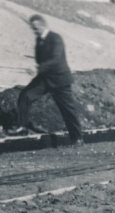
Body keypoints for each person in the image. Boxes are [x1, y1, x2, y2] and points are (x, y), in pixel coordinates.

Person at [7, 15, 84, 145]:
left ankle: (77, 138)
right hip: (44, 78)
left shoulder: (55, 38)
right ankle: (22, 126)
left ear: (43, 25)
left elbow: (56, 59)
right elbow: (39, 59)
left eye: (36, 28)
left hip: (60, 79)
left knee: (67, 110)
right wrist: (36, 68)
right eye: (32, 28)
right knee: (26, 95)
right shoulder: (39, 40)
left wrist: (38, 68)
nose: (34, 30)